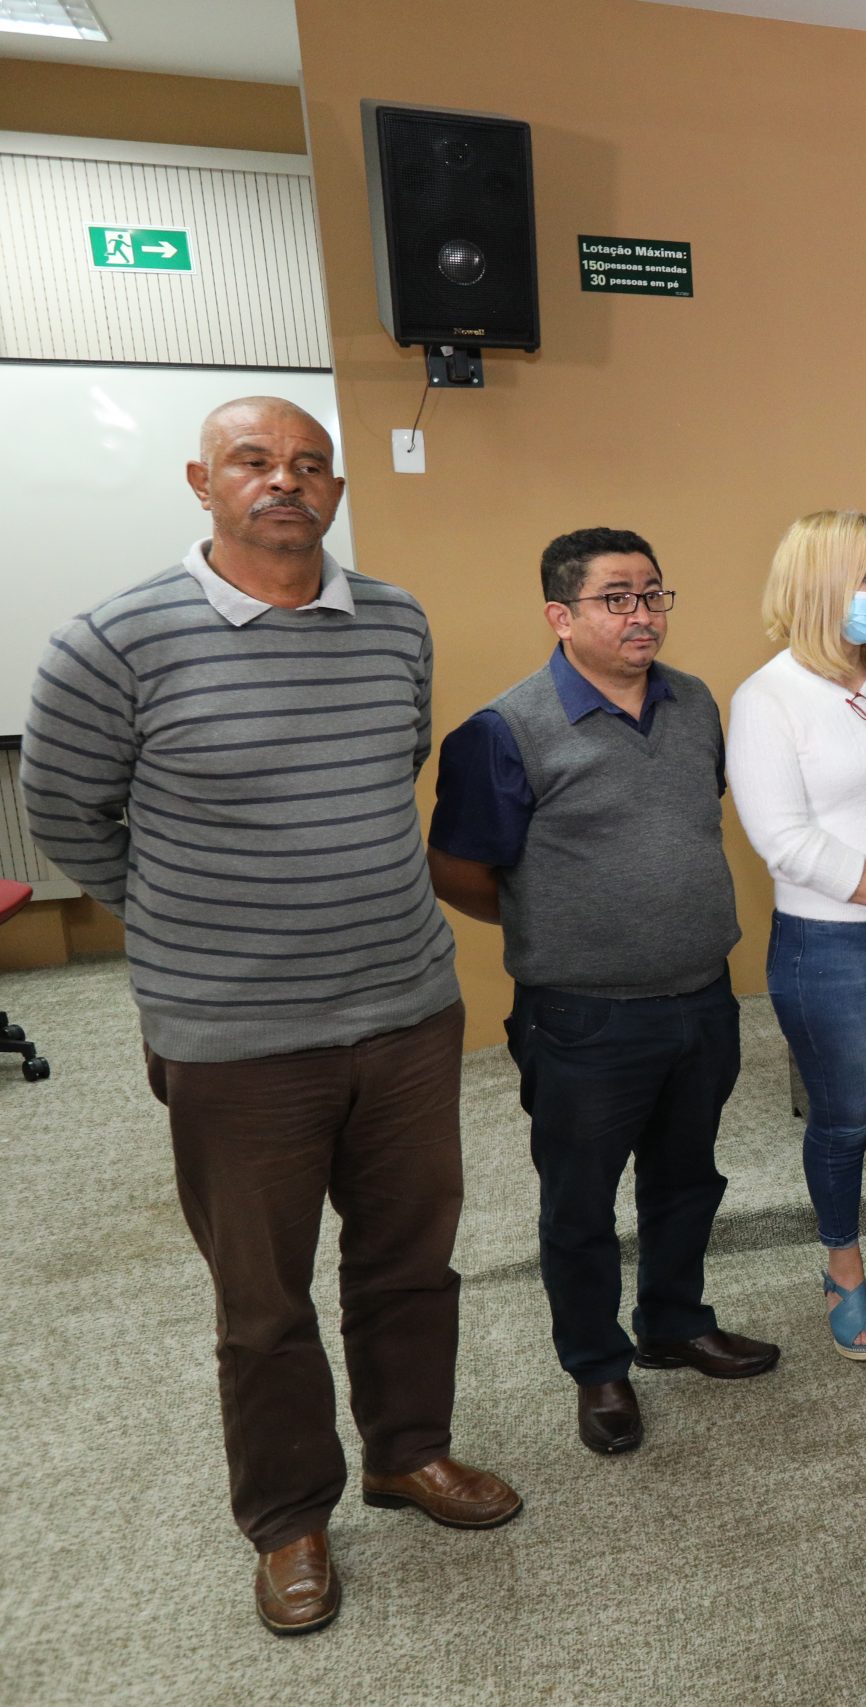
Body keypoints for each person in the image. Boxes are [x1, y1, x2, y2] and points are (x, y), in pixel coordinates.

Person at [20, 397, 515, 1637]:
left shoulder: (394, 620)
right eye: (255, 463)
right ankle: (291, 1515)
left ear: (334, 493)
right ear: (204, 481)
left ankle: (410, 1451)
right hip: (235, 1040)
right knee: (263, 1297)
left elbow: (388, 763)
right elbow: (72, 823)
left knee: (410, 1259)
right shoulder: (112, 641)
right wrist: (193, 925)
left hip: (403, 1009)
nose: (283, 484)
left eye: (307, 466)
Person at [429, 528, 778, 1460]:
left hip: (702, 996)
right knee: (580, 1204)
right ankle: (597, 1363)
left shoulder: (696, 702)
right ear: (561, 615)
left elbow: (690, 819)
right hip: (582, 1016)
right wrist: (559, 923)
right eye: (617, 598)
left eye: (655, 596)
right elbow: (458, 870)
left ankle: (675, 1320)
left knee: (688, 1177)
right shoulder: (504, 730)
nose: (642, 615)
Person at [729, 511, 866, 1362]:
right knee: (844, 1116)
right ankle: (843, 1270)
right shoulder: (769, 696)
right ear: (816, 585)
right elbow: (781, 835)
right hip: (829, 944)